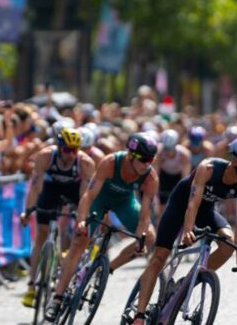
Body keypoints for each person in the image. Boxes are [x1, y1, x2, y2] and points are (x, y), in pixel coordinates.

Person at [131, 137, 237, 325]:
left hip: (206, 210)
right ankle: (139, 314)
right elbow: (192, 204)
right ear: (235, 161)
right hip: (180, 205)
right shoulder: (208, 168)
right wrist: (187, 230)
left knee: (228, 244)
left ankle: (188, 283)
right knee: (160, 256)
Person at [44, 133, 158, 322]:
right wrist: (81, 221)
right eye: (144, 159)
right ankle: (57, 298)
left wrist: (141, 238)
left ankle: (107, 269)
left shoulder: (150, 177)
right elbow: (89, 195)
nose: (147, 164)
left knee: (150, 236)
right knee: (80, 240)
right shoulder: (111, 162)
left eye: (151, 160)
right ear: (131, 155)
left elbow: (145, 214)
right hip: (99, 199)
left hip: (125, 203)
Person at [19, 128, 96, 308]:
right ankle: (31, 285)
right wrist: (28, 211)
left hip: (74, 191)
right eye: (67, 150)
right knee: (41, 235)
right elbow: (35, 186)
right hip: (51, 188)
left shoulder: (84, 162)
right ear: (59, 147)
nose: (71, 154)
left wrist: (81, 218)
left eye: (75, 150)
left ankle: (69, 269)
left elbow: (85, 195)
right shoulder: (45, 156)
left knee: (80, 232)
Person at [154, 129, 191, 220]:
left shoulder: (184, 154)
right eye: (166, 149)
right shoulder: (159, 153)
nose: (168, 152)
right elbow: (155, 175)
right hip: (164, 177)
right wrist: (155, 193)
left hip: (177, 178)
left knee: (178, 205)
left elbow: (185, 178)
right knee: (161, 207)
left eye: (170, 149)